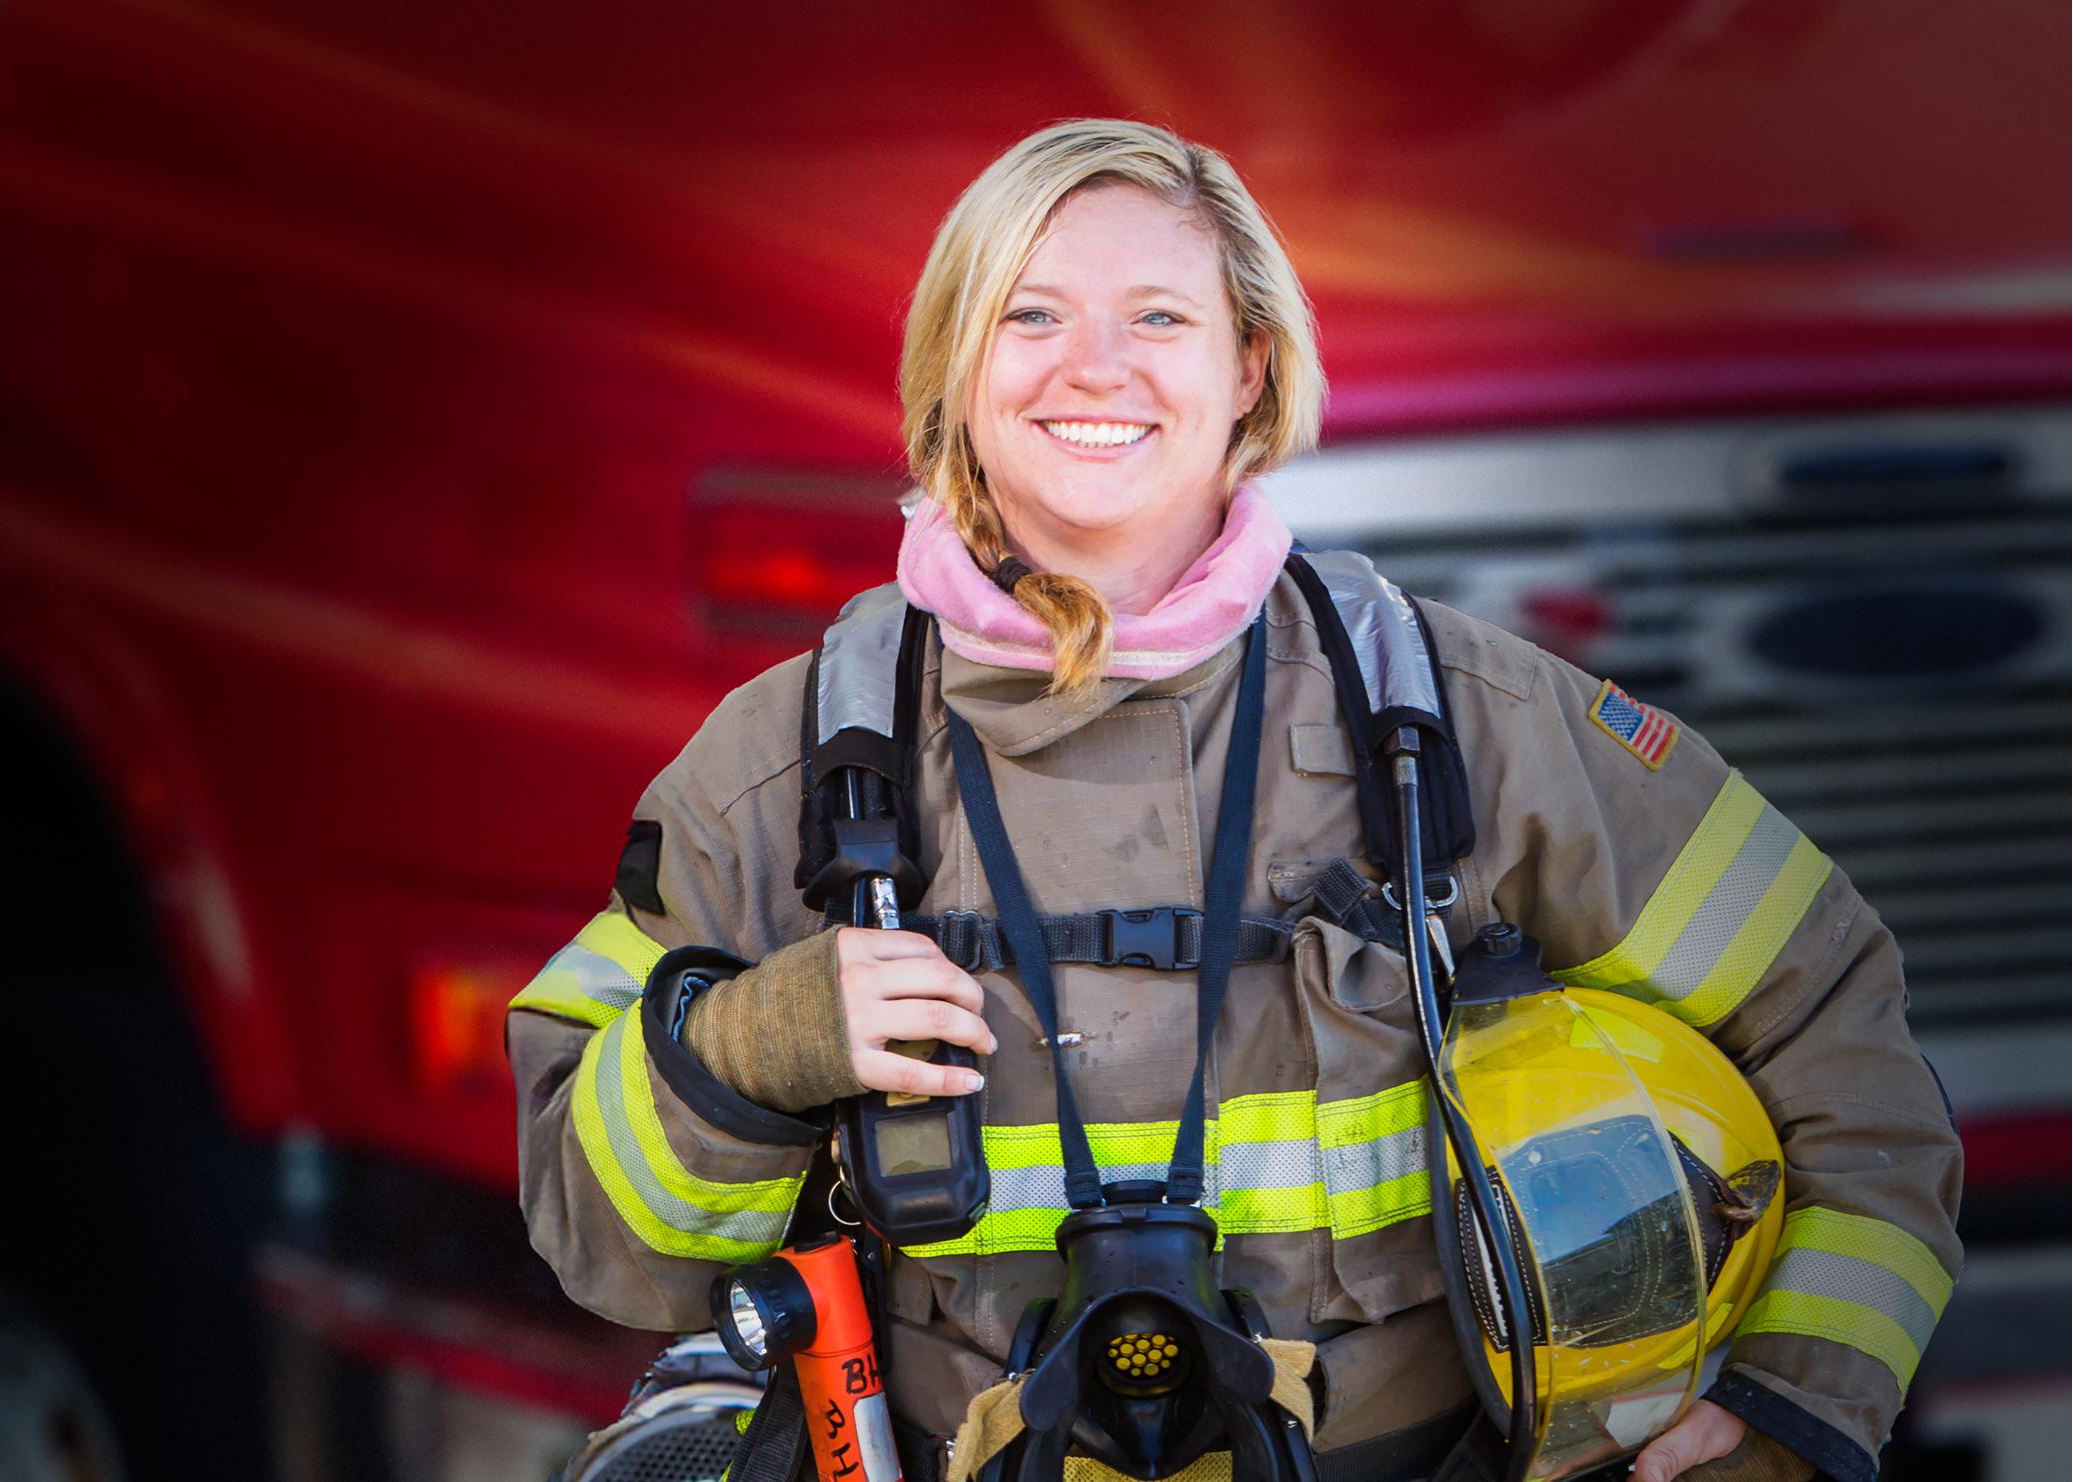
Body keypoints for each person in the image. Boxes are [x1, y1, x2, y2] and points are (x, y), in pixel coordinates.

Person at [510, 119, 1959, 1482]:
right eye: (1028, 314)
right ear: (952, 364)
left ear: (1250, 366)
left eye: (1157, 316)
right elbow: (596, 1244)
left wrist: (1794, 1396)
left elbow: (1833, 1026)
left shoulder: (1458, 720)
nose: (1094, 367)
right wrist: (746, 1047)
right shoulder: (788, 766)